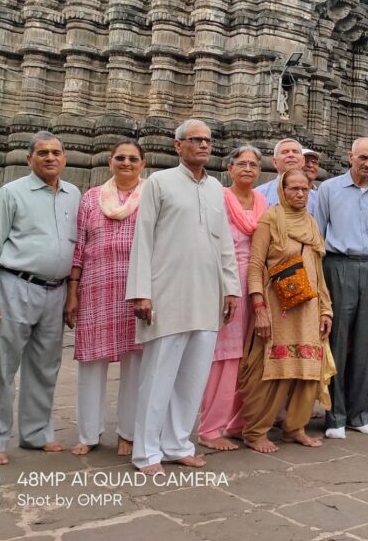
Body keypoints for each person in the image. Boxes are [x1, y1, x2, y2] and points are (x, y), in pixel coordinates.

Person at [126, 119, 240, 473]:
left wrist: (231, 287)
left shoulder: (216, 189)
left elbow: (224, 243)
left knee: (192, 378)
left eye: (208, 140)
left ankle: (177, 444)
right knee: (158, 376)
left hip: (207, 295)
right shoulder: (159, 183)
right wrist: (141, 292)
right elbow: (142, 239)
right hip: (167, 294)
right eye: (196, 140)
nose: (204, 146)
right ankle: (146, 452)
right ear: (178, 146)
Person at [0, 131, 81, 466]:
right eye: (43, 152)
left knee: (46, 366)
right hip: (14, 286)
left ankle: (37, 433)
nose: (50, 157)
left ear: (64, 158)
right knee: (1, 366)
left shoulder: (73, 194)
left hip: (56, 290)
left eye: (57, 152)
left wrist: (71, 294)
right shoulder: (12, 192)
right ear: (28, 158)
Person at [239, 169, 332, 451]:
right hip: (277, 307)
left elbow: (318, 270)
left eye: (305, 189)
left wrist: (326, 309)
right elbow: (255, 266)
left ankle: (295, 428)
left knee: (307, 368)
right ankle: (256, 432)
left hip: (309, 308)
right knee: (273, 369)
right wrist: (259, 307)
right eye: (294, 188)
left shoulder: (311, 223)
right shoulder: (270, 220)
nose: (300, 194)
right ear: (282, 189)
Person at [313, 137, 368, 439]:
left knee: (365, 344)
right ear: (351, 157)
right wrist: (321, 286)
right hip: (338, 266)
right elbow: (318, 237)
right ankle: (335, 417)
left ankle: (360, 415)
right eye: (364, 158)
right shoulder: (329, 190)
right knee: (337, 341)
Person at [68, 140, 146, 457]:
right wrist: (72, 292)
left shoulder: (151, 197)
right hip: (95, 289)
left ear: (143, 164)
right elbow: (78, 249)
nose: (126, 163)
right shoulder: (91, 198)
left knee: (135, 364)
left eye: (133, 159)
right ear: (110, 162)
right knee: (90, 362)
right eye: (120, 158)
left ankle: (128, 433)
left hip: (136, 291)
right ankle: (88, 434)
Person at [197, 146, 268, 451]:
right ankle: (211, 428)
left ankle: (238, 422)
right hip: (224, 280)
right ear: (229, 168)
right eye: (242, 164)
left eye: (254, 165)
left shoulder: (262, 201)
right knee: (223, 356)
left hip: (256, 281)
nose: (248, 169)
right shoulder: (219, 198)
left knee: (249, 354)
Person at [256, 138, 304, 205]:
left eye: (295, 151)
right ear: (275, 162)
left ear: (303, 161)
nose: (291, 155)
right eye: (285, 152)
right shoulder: (259, 194)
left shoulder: (315, 198)